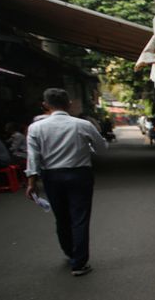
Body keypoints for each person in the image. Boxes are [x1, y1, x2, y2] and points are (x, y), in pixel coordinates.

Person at [24, 88, 108, 276]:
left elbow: (33, 158)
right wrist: (86, 149)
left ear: (45, 105)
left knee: (61, 217)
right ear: (69, 103)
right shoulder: (82, 125)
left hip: (51, 177)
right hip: (80, 175)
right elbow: (101, 149)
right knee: (80, 218)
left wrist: (31, 182)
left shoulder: (36, 128)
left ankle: (71, 253)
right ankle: (79, 263)